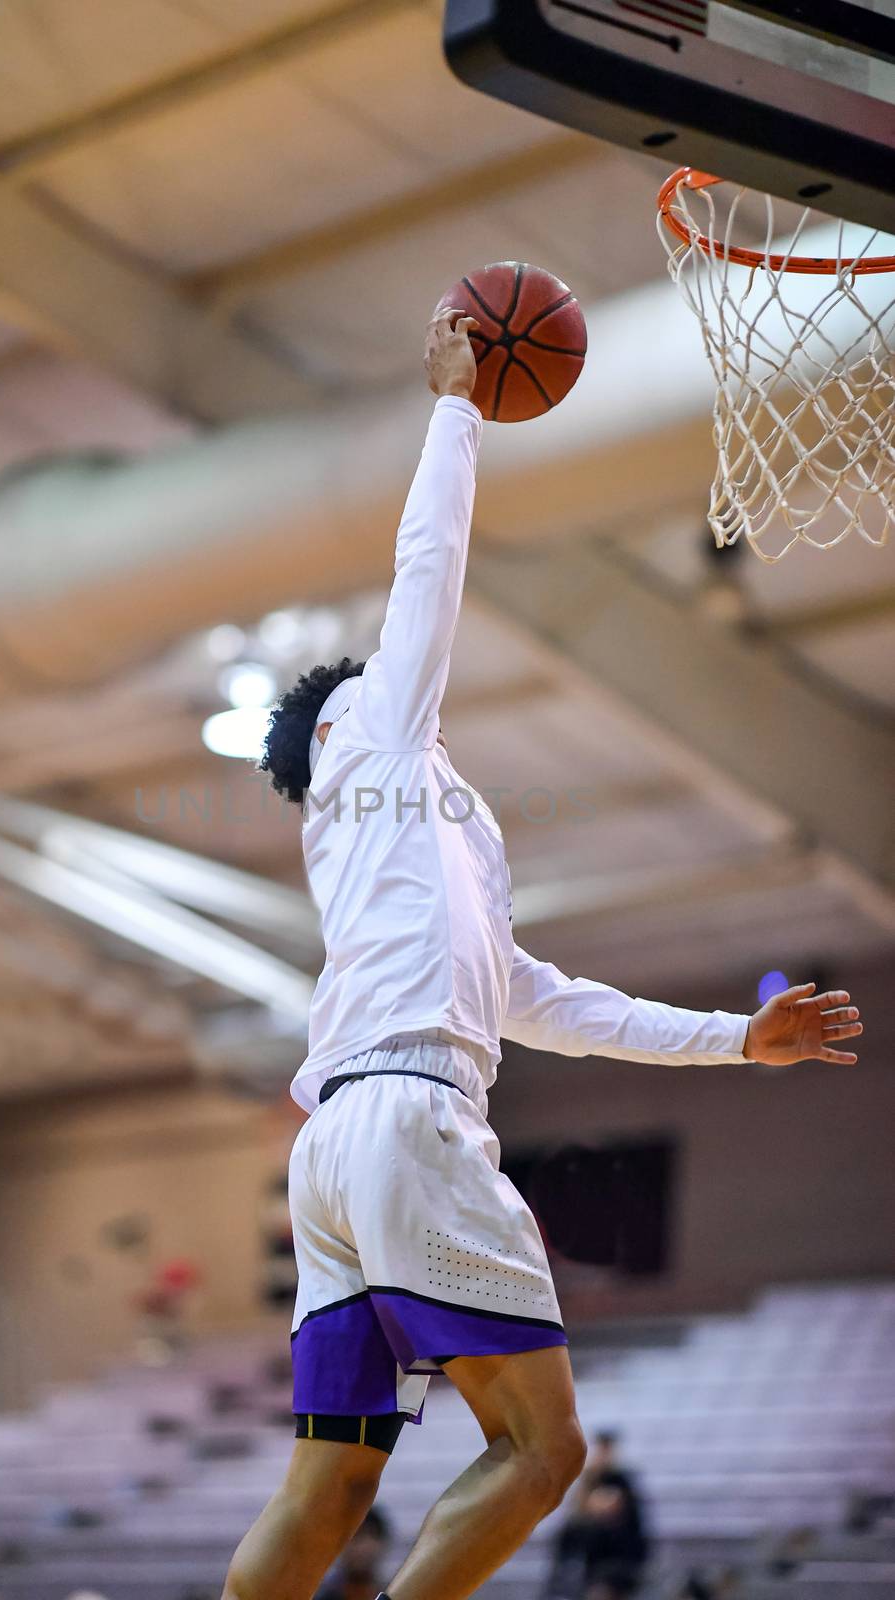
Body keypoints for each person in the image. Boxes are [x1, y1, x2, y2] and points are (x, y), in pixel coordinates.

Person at [222, 308, 864, 1600]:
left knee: (331, 1478)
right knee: (542, 1447)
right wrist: (455, 407)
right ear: (344, 728)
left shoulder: (422, 847)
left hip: (333, 1150)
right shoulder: (379, 749)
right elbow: (425, 576)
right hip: (406, 1118)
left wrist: (732, 1038)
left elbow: (553, 1003)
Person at [548, 1432, 648, 1599]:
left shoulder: (621, 1480)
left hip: (619, 1558)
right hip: (593, 1559)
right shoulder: (591, 1479)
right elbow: (578, 1514)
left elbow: (612, 1508)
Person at [316, 1506, 392, 1600]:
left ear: (381, 1543)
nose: (361, 1547)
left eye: (368, 1536)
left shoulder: (392, 1593)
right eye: (355, 1536)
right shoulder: (318, 1596)